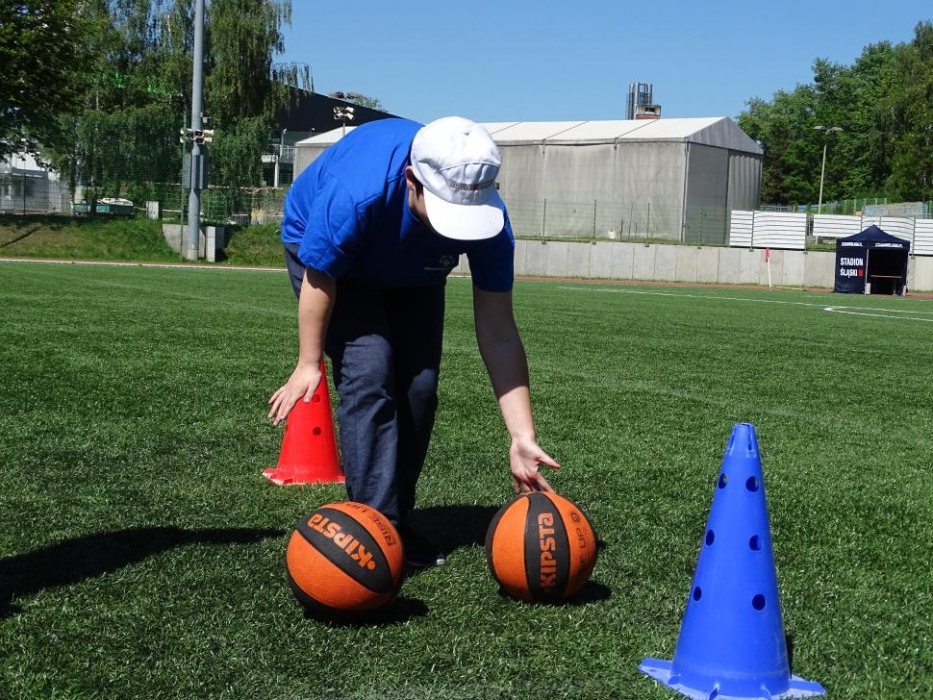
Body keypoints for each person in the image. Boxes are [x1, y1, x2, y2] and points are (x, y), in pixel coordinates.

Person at [267, 116, 558, 568]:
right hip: (337, 266)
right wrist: (309, 361)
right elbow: (321, 276)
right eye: (445, 214)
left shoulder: (492, 222)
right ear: (411, 181)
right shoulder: (357, 191)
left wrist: (522, 435)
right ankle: (374, 530)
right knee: (369, 371)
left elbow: (499, 333)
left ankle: (396, 520)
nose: (452, 232)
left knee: (419, 387)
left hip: (413, 274)